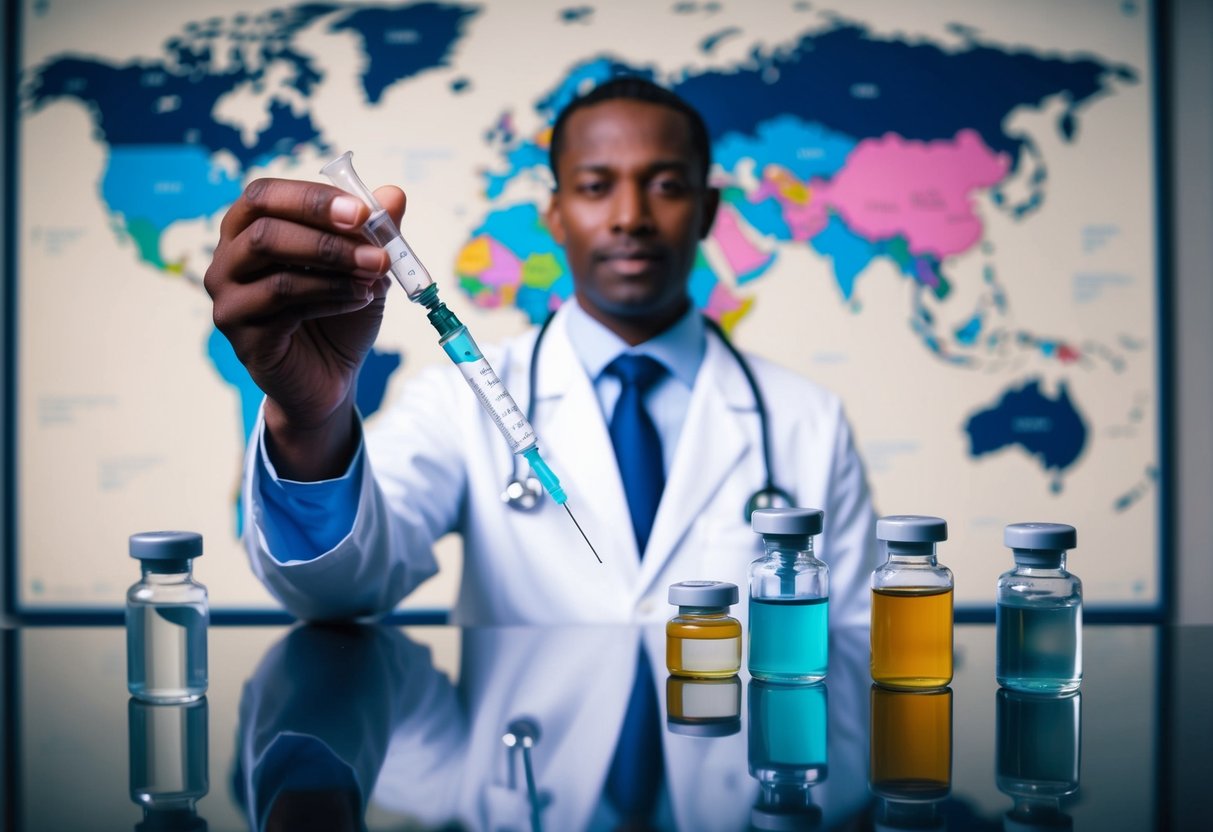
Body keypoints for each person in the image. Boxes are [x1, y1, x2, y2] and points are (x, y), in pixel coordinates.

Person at [206, 77, 878, 625]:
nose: (629, 216)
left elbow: (849, 662)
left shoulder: (807, 422)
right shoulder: (454, 402)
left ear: (706, 211)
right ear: (553, 214)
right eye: (594, 186)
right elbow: (334, 594)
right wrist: (310, 419)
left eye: (666, 186)